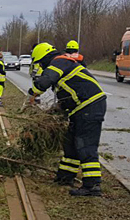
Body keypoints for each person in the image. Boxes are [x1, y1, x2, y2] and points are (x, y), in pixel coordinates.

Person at [28, 42, 107, 197]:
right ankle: (65, 177)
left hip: (90, 107)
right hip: (81, 108)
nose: (41, 67)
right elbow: (68, 93)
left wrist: (33, 93)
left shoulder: (59, 62)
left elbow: (46, 80)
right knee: (71, 144)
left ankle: (92, 185)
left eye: (40, 63)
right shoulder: (62, 63)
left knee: (85, 145)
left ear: (44, 58)